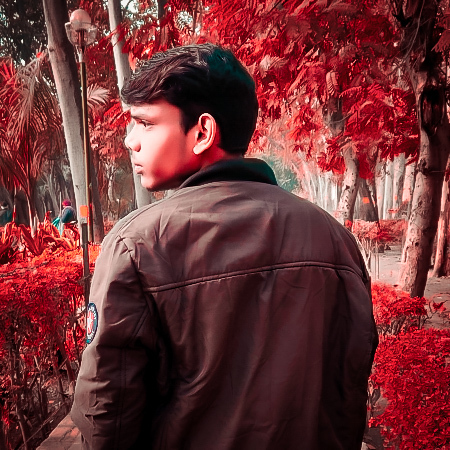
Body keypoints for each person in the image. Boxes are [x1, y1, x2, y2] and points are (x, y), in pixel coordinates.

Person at [71, 43, 378, 450]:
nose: (130, 141)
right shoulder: (335, 239)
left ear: (202, 132)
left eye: (145, 123)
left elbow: (106, 419)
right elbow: (350, 388)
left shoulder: (136, 246)